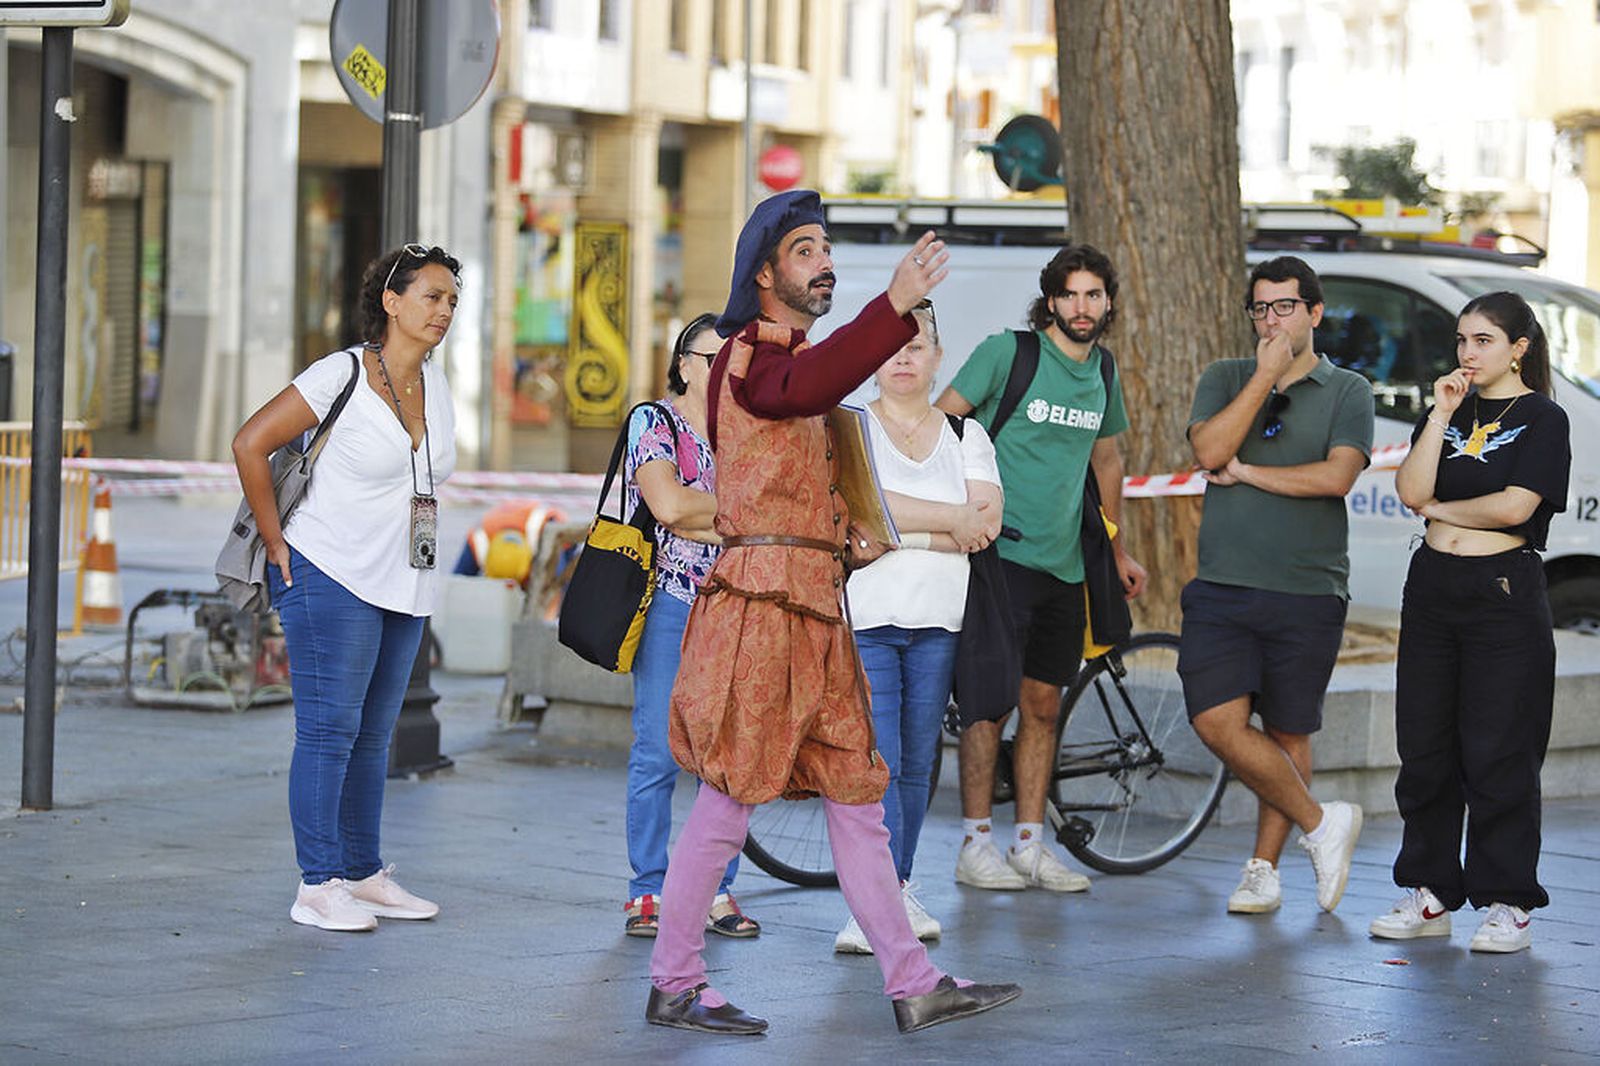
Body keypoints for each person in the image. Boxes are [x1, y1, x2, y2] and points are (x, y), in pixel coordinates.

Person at [646, 189, 1020, 1036]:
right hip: (764, 606)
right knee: (731, 797)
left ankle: (914, 982)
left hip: (811, 603)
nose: (824, 263)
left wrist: (844, 533)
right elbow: (802, 387)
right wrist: (893, 306)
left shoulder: (791, 361)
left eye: (825, 249)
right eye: (806, 250)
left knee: (856, 795)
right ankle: (674, 979)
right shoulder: (751, 352)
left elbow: (803, 447)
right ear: (764, 271)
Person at [231, 243, 460, 932]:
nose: (444, 310)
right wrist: (276, 542)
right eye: (431, 296)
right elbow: (250, 442)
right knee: (330, 730)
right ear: (391, 301)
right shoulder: (343, 373)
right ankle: (317, 883)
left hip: (404, 582)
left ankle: (361, 872)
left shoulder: (437, 385)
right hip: (330, 571)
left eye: (452, 300)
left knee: (373, 734)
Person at [934, 244, 1146, 893]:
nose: (1082, 307)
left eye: (1093, 295)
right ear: (1051, 300)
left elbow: (1106, 461)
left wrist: (1115, 550)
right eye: (1070, 294)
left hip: (1066, 566)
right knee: (987, 707)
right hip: (1000, 558)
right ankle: (975, 845)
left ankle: (1029, 844)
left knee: (1044, 707)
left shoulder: (1103, 369)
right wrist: (955, 516)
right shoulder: (1010, 353)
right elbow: (941, 424)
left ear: (1107, 303)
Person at [1371, 291, 1569, 952]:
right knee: (1425, 749)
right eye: (1461, 339)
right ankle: (1429, 892)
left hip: (1501, 592)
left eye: (1483, 340)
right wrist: (1440, 414)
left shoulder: (1543, 417)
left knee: (1499, 749)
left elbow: (1514, 508)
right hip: (1433, 587)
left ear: (1519, 348)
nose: (1467, 352)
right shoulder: (1450, 409)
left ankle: (1509, 899)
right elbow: (1409, 490)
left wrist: (1438, 511)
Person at [1182, 255, 1374, 915]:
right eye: (1261, 308)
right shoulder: (1226, 377)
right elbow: (1210, 452)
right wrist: (1264, 375)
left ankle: (1263, 869)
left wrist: (1250, 474)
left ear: (1314, 312)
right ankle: (1322, 825)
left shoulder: (1348, 389)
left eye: (1285, 307)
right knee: (1215, 720)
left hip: (1307, 588)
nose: (1272, 320)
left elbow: (1335, 477)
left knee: (1289, 730)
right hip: (1222, 585)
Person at [834, 298, 1003, 954]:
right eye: (892, 347)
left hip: (941, 621)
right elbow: (855, 507)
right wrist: (948, 520)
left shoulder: (967, 436)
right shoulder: (850, 426)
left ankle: (897, 889)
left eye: (915, 346)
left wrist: (896, 527)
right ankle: (870, 906)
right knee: (881, 760)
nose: (902, 358)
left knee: (917, 763)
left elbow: (985, 524)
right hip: (868, 620)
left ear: (937, 357)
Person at [621, 312, 758, 940]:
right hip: (672, 601)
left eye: (735, 359)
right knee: (657, 749)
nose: (725, 369)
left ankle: (714, 889)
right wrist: (739, 516)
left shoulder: (747, 433)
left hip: (736, 606)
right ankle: (647, 889)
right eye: (712, 358)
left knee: (726, 757)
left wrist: (714, 519)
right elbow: (670, 506)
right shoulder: (654, 422)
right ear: (683, 364)